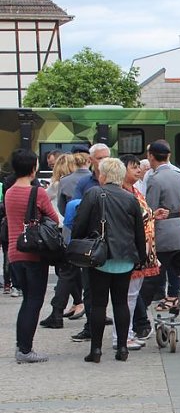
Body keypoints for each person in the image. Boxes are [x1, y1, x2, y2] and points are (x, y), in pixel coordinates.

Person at [72, 158, 146, 363]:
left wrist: (79, 244)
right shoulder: (130, 198)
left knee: (98, 304)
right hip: (125, 258)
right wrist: (140, 257)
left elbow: (79, 225)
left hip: (99, 258)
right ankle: (122, 348)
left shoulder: (93, 194)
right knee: (121, 303)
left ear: (103, 175)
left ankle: (95, 350)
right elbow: (138, 231)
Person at [6, 149, 58, 362]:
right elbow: (54, 218)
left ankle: (21, 346)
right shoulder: (38, 193)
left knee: (27, 300)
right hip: (33, 253)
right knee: (34, 301)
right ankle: (25, 350)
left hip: (14, 253)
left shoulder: (9, 192)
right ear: (33, 167)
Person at [142, 140, 180, 317]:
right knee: (179, 272)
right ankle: (175, 299)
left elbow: (150, 208)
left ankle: (142, 311)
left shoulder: (155, 179)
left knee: (155, 274)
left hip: (163, 232)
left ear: (151, 156)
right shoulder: (179, 174)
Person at [116, 155, 159, 351]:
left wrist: (153, 215)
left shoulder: (135, 190)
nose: (138, 170)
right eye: (133, 167)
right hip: (132, 251)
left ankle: (128, 333)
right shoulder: (122, 193)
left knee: (132, 295)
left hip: (144, 250)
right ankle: (122, 336)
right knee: (128, 296)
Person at [70, 144, 113, 344]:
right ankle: (90, 326)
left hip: (114, 244)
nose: (103, 161)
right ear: (91, 160)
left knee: (122, 292)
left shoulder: (118, 181)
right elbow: (75, 210)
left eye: (107, 157)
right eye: (99, 158)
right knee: (90, 290)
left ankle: (135, 326)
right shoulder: (84, 183)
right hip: (93, 245)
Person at [39, 154, 85, 329]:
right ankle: (78, 304)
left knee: (65, 271)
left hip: (62, 231)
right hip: (81, 231)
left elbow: (54, 205)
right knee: (71, 271)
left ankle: (60, 310)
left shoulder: (59, 184)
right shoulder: (84, 181)